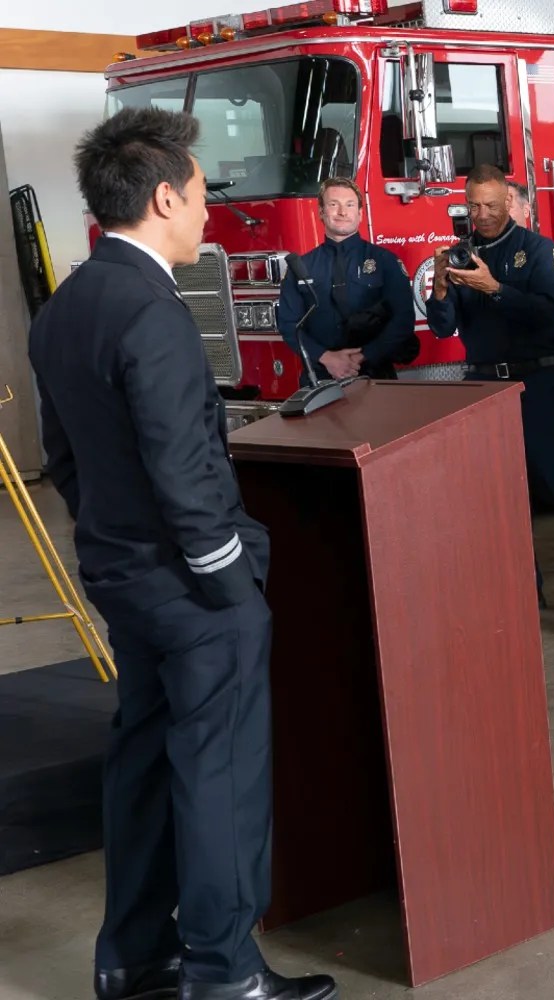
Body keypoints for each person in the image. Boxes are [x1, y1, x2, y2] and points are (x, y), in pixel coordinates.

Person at [30, 108, 336, 1000]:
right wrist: (226, 574)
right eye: (201, 194)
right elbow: (182, 464)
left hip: (123, 576)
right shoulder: (154, 308)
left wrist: (115, 539)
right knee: (219, 770)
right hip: (192, 592)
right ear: (164, 197)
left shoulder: (66, 305)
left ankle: (133, 957)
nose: (208, 211)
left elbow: (65, 458)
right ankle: (225, 970)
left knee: (142, 759)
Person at [429, 164, 554, 593]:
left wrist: (495, 289)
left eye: (492, 205)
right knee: (495, 500)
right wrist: (440, 288)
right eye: (474, 206)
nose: (483, 214)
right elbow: (442, 326)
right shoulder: (460, 254)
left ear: (508, 201)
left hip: (540, 385)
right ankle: (521, 595)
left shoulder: (540, 252)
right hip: (483, 388)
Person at [276, 177, 415, 383]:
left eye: (349, 205)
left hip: (375, 375)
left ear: (360, 213)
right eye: (333, 204)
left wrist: (362, 356)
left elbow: (403, 319)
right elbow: (288, 324)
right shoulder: (300, 267)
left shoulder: (385, 261)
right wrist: (326, 358)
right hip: (319, 377)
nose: (342, 212)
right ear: (321, 212)